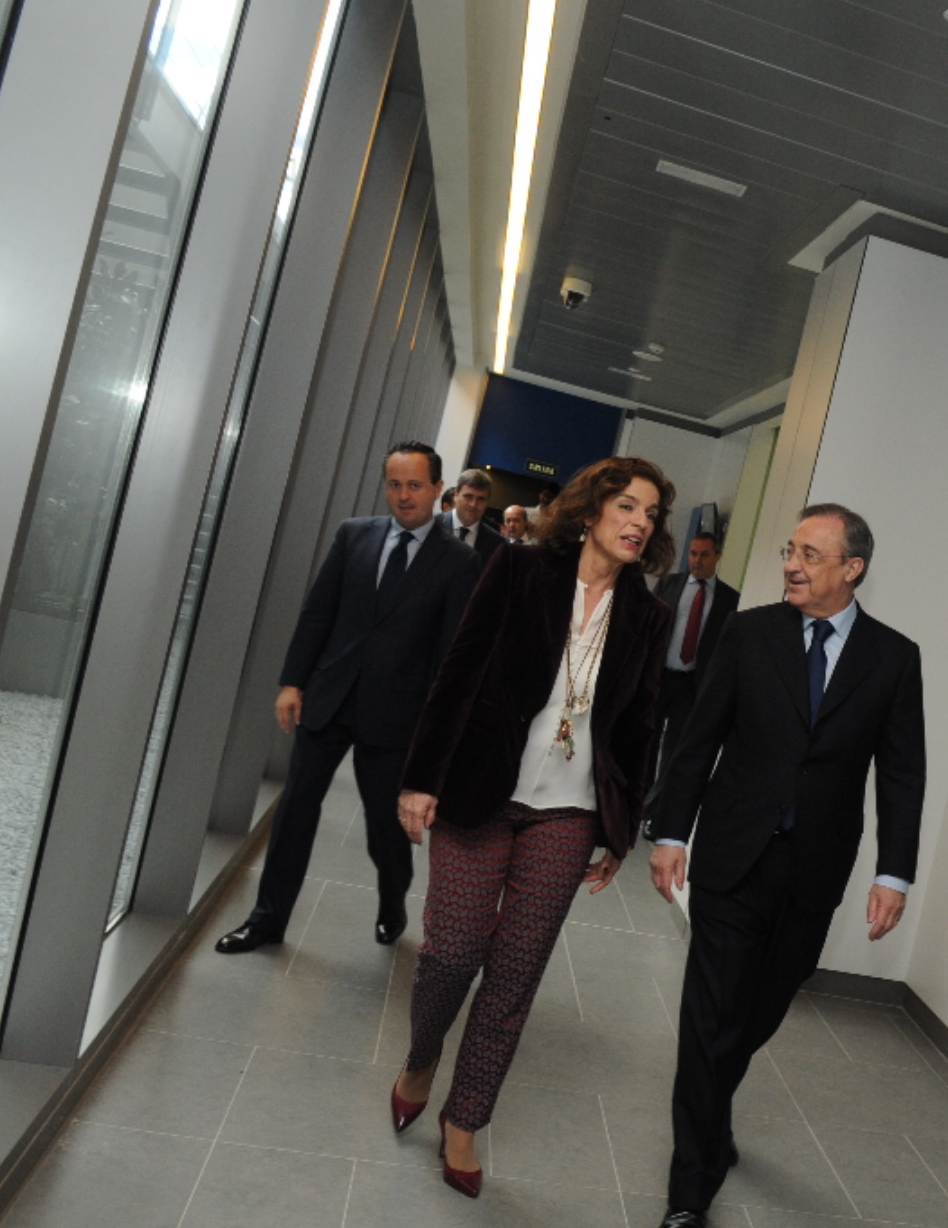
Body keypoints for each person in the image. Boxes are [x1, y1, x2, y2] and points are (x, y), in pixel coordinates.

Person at [389, 457, 676, 1198]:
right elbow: (458, 671)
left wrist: (621, 830)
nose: (640, 522)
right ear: (590, 509)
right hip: (481, 790)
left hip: (568, 815)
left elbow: (640, 726)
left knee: (515, 976)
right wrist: (420, 778)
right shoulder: (519, 571)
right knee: (450, 955)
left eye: (651, 513)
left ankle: (465, 1119)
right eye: (628, 505)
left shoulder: (648, 616)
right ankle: (422, 1056)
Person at [646, 504, 926, 1228]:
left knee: (759, 1011)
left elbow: (902, 775)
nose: (792, 566)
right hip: (732, 856)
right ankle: (690, 1187)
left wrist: (893, 873)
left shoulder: (894, 659)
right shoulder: (749, 633)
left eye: (810, 555)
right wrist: (671, 831)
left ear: (852, 569)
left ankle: (712, 1111)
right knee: (709, 1017)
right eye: (789, 551)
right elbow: (699, 736)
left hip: (813, 872)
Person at [216, 442, 479, 954]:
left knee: (385, 826)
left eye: (415, 485)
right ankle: (267, 920)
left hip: (396, 714)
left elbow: (450, 652)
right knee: (295, 811)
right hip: (329, 699)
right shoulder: (353, 534)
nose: (404, 495)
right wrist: (293, 682)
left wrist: (432, 728)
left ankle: (392, 897)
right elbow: (318, 611)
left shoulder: (459, 561)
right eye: (395, 484)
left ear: (437, 489)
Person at [646, 531, 739, 789]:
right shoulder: (668, 585)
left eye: (704, 555)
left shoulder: (729, 599)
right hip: (659, 677)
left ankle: (659, 799)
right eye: (693, 554)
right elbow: (649, 628)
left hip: (692, 684)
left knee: (676, 746)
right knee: (647, 738)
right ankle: (639, 794)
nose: (697, 560)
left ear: (717, 556)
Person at [439, 467, 505, 559]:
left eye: (481, 499)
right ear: (456, 494)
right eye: (468, 496)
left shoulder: (496, 543)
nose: (473, 504)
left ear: (487, 502)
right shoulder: (430, 525)